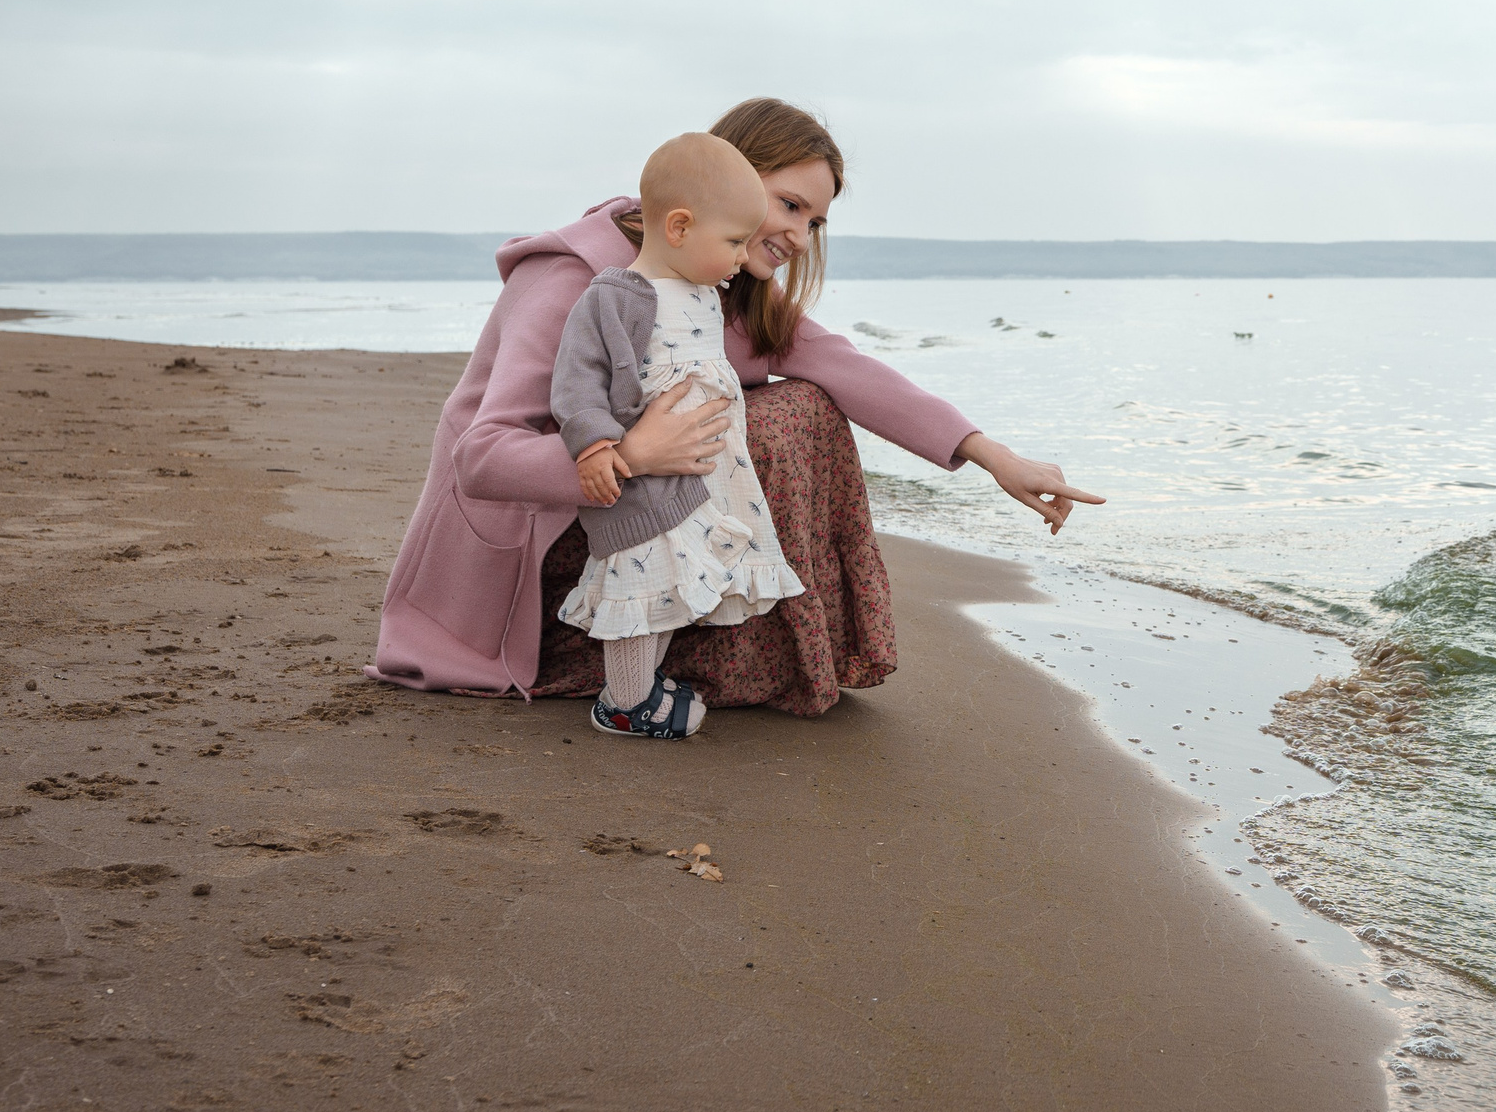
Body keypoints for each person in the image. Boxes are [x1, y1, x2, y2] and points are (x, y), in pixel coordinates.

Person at [367, 98, 1102, 716]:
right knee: (780, 416)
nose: (797, 235)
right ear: (726, 174)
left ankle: (731, 652)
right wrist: (628, 453)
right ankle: (644, 674)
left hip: (634, 534)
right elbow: (482, 456)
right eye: (788, 204)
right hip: (525, 574)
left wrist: (995, 458)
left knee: (806, 403)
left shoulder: (723, 292)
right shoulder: (575, 277)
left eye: (814, 221)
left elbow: (852, 368)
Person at [550, 133, 803, 739]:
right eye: (736, 242)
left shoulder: (700, 288)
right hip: (647, 482)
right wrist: (593, 446)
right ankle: (624, 702)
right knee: (643, 579)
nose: (744, 258)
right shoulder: (618, 296)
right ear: (681, 227)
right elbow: (576, 379)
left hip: (699, 477)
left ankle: (641, 686)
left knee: (674, 580)